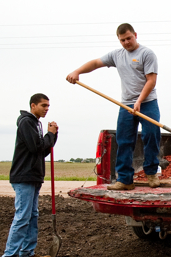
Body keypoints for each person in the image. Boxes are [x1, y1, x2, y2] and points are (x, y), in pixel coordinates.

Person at [66, 23, 161, 190]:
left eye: (128, 38)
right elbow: (96, 63)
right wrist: (77, 71)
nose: (126, 42)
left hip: (147, 103)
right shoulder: (117, 55)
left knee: (151, 136)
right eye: (122, 40)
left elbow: (151, 81)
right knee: (124, 140)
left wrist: (139, 101)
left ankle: (152, 174)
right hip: (125, 104)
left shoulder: (147, 54)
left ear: (135, 35)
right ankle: (125, 180)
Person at [0, 93, 59, 257]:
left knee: (32, 215)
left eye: (48, 105)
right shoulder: (26, 122)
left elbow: (42, 151)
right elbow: (36, 147)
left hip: (33, 176)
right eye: (43, 105)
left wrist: (52, 136)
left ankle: (27, 255)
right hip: (24, 176)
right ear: (33, 105)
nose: (46, 108)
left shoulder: (35, 123)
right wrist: (50, 134)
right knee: (22, 217)